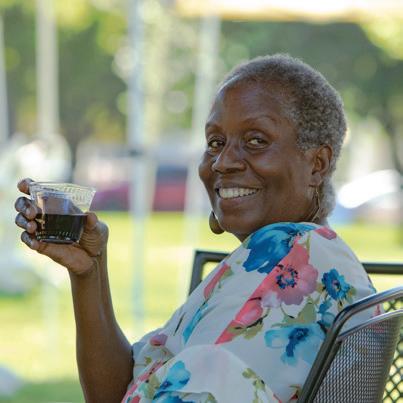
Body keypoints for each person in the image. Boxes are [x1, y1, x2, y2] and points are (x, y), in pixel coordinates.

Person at [15, 54, 377, 403]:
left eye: (256, 141)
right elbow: (121, 392)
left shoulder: (289, 258)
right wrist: (89, 271)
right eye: (215, 143)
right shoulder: (302, 254)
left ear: (317, 164)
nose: (223, 162)